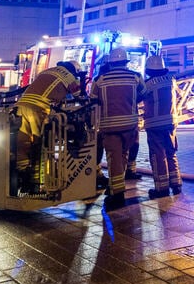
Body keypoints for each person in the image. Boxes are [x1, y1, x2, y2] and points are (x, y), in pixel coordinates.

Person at [89, 47, 145, 211]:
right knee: (123, 156)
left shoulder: (99, 80)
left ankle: (118, 194)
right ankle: (116, 188)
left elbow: (93, 101)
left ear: (110, 63)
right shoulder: (136, 77)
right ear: (126, 61)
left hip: (110, 126)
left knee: (114, 160)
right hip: (130, 125)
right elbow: (143, 94)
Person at [14, 64, 82, 192]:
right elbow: (79, 95)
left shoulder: (48, 71)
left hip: (21, 106)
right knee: (39, 143)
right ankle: (35, 182)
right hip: (38, 108)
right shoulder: (68, 76)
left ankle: (21, 173)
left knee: (23, 141)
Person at [142, 55, 182, 199]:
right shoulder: (171, 80)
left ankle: (161, 188)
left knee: (158, 155)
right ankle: (176, 184)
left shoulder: (148, 84)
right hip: (171, 122)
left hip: (154, 124)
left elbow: (139, 98)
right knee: (171, 152)